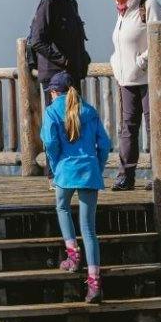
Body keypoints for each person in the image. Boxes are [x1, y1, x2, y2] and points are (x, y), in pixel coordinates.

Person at [42, 70, 111, 304]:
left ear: (54, 92)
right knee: (89, 229)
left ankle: (72, 256)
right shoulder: (89, 111)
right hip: (90, 171)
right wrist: (97, 167)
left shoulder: (52, 111)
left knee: (62, 207)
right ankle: (94, 285)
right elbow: (105, 144)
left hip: (65, 171)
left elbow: (50, 144)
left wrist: (55, 167)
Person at [104, 0, 161, 192]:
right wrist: (115, 62)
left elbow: (160, 39)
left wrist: (141, 62)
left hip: (150, 79)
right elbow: (120, 45)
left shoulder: (149, 6)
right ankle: (126, 176)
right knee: (128, 129)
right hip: (127, 80)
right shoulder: (122, 12)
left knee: (155, 128)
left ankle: (159, 174)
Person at [27, 0, 90, 87]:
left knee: (75, 107)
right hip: (54, 77)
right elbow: (37, 41)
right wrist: (63, 60)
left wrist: (83, 59)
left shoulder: (72, 5)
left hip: (73, 74)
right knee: (58, 108)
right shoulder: (48, 4)